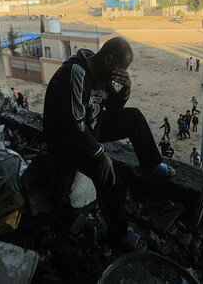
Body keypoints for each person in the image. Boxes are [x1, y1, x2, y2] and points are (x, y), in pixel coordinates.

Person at [36, 37, 175, 250]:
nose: (119, 75)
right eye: (120, 70)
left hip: (90, 128)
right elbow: (74, 125)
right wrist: (100, 154)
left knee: (134, 117)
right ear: (109, 59)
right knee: (110, 177)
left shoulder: (101, 72)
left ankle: (150, 166)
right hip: (66, 140)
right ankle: (119, 234)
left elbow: (113, 108)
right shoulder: (76, 73)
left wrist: (125, 89)